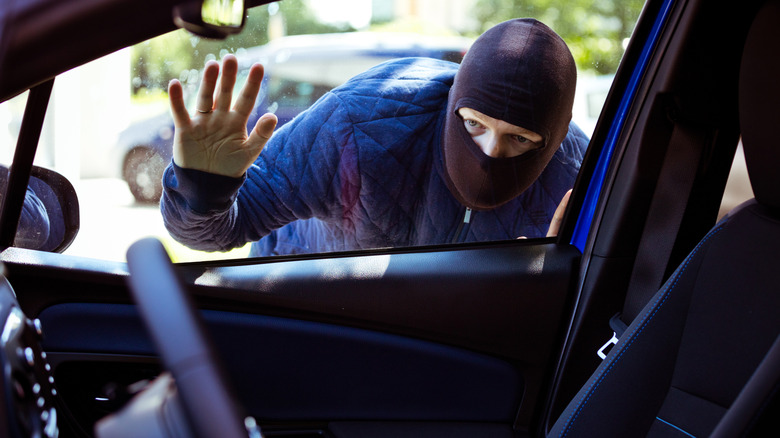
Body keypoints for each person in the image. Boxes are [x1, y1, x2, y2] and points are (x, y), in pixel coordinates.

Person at [161, 18, 590, 257]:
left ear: (551, 141)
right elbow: (213, 233)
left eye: (520, 140)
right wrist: (202, 185)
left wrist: (553, 271)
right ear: (453, 100)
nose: (489, 154)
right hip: (311, 309)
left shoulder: (578, 180)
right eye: (474, 124)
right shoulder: (361, 122)